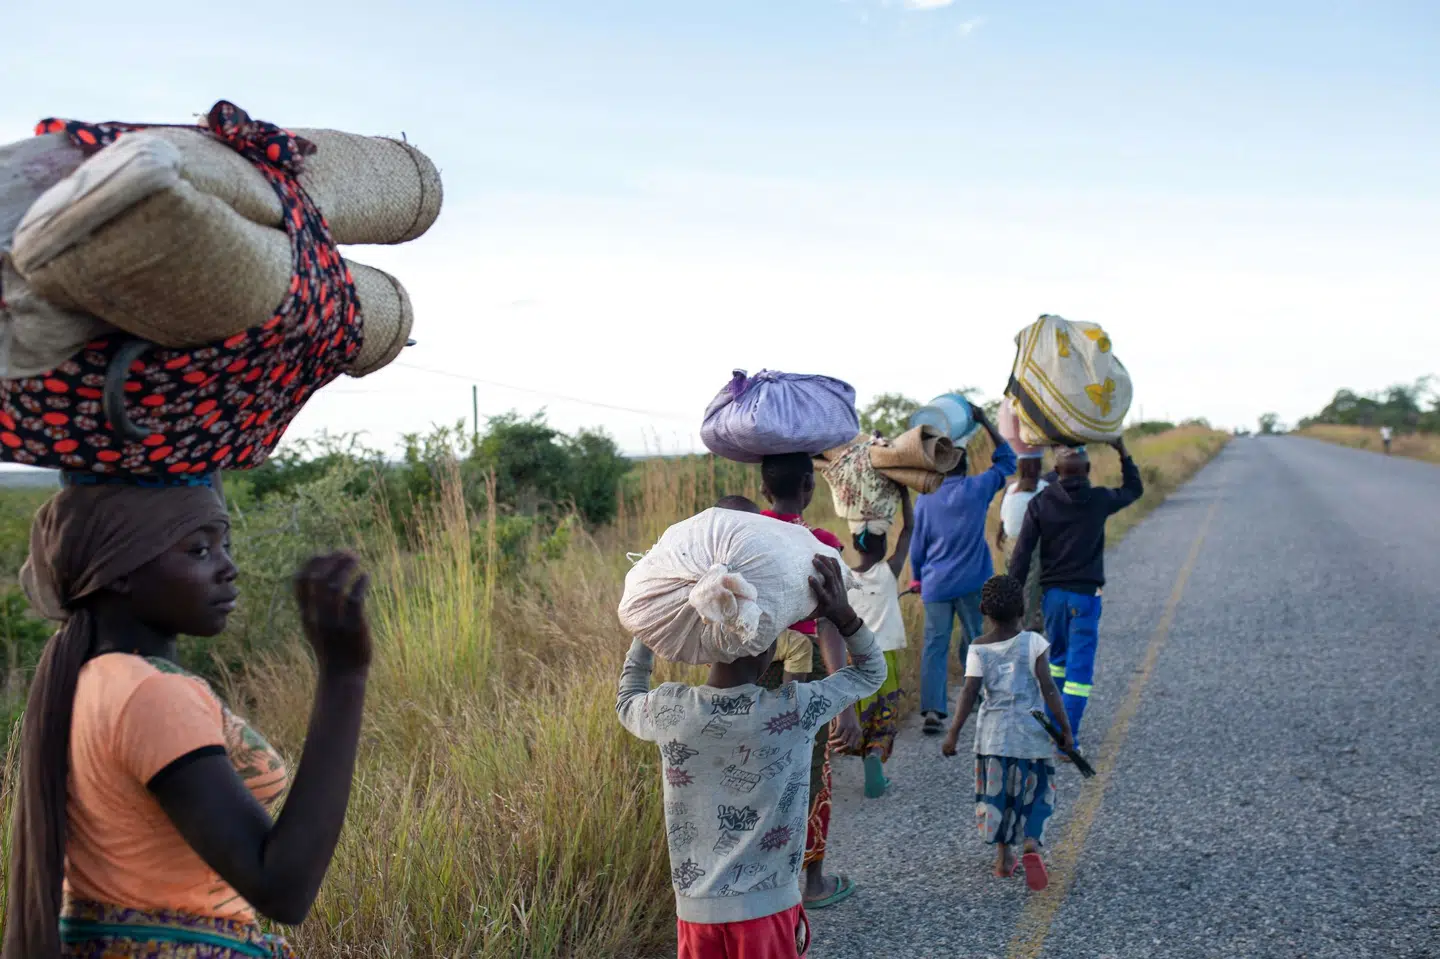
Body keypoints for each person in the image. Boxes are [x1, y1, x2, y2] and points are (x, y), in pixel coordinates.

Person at [2, 474, 372, 959]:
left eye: (225, 545)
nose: (229, 568)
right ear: (120, 571)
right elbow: (283, 889)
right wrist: (344, 677)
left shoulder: (94, 677)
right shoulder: (152, 694)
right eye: (199, 551)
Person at [617, 555, 886, 959]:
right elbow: (870, 672)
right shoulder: (791, 710)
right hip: (768, 909)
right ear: (770, 653)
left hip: (695, 912)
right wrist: (842, 613)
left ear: (704, 651)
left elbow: (627, 699)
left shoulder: (672, 710)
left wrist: (649, 629)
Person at [1008, 440, 1143, 752]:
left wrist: (1012, 600)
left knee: (1056, 662)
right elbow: (1134, 489)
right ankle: (1068, 740)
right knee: (1079, 673)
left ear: (1055, 472)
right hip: (1085, 598)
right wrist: (1123, 452)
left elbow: (1022, 556)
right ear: (1089, 470)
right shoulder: (1099, 499)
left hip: (1053, 598)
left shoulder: (1039, 503)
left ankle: (1055, 730)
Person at [941, 575, 1072, 891]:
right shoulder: (1034, 644)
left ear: (983, 609)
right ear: (1023, 608)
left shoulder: (978, 648)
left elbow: (969, 692)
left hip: (993, 739)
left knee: (997, 797)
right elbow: (1049, 689)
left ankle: (1003, 859)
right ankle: (1030, 842)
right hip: (1031, 737)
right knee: (1035, 793)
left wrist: (953, 734)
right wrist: (1065, 729)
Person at [909, 403, 1017, 734]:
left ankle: (932, 710)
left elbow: (918, 547)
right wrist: (984, 420)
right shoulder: (978, 488)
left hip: (937, 585)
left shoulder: (927, 499)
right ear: (967, 466)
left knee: (935, 645)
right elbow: (1008, 460)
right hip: (973, 583)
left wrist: (917, 578)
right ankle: (992, 699)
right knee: (978, 639)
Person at [839, 487, 913, 799]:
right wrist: (904, 494)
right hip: (885, 661)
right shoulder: (888, 571)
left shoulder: (844, 577)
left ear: (855, 544)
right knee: (885, 714)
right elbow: (910, 529)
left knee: (862, 713)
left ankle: (863, 756)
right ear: (884, 545)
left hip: (853, 658)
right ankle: (875, 761)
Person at [996, 454, 1048, 634]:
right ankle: (1029, 624)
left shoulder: (1010, 489)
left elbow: (1003, 520)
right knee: (1032, 586)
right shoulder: (1043, 488)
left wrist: (1000, 536)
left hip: (1011, 542)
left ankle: (1012, 625)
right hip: (1034, 542)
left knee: (1014, 582)